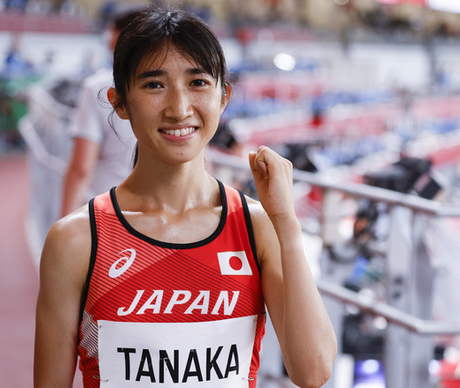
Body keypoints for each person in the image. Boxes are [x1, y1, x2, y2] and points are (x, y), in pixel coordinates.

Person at [34, 6, 337, 388]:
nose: (179, 108)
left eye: (197, 83)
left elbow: (313, 371)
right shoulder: (76, 241)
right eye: (154, 85)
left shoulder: (257, 227)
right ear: (119, 101)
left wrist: (286, 224)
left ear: (223, 96)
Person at [60, 10, 140, 217]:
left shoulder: (97, 88)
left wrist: (64, 222)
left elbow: (81, 168)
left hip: (105, 210)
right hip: (153, 213)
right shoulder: (169, 89)